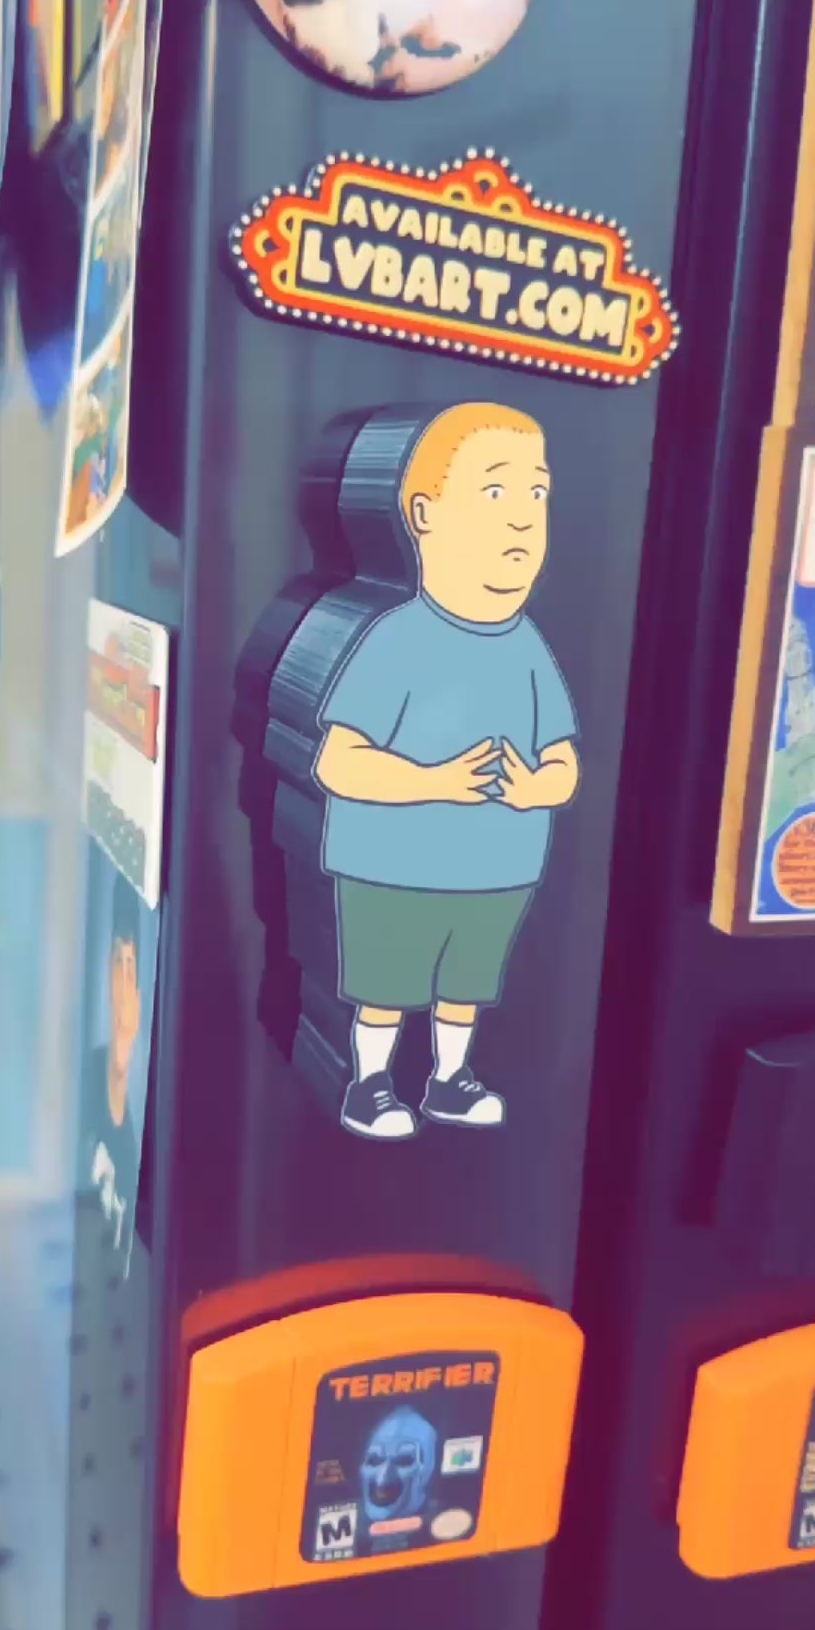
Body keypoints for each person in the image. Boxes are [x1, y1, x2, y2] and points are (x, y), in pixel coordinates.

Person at [314, 402, 579, 1142]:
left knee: (465, 988)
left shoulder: (528, 647)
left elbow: (562, 764)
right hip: (392, 869)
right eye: (495, 491)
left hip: (497, 870)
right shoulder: (395, 640)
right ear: (424, 516)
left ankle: (449, 1079)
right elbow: (340, 761)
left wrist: (534, 788)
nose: (522, 516)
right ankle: (370, 1085)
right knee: (386, 986)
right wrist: (437, 782)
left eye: (536, 492)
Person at [84, 870, 143, 1247]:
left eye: (131, 966)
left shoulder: (150, 1096)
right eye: (118, 963)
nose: (123, 982)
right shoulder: (88, 1076)